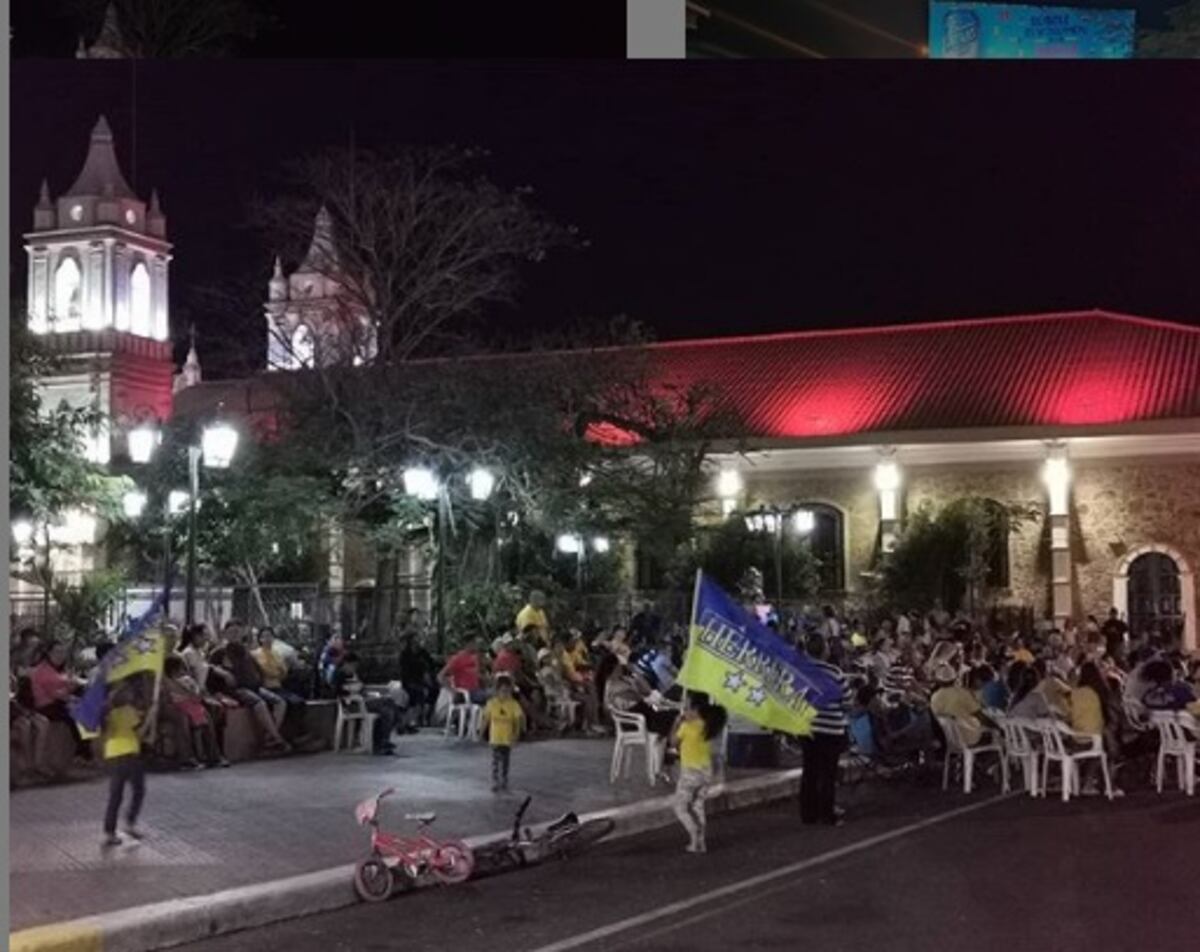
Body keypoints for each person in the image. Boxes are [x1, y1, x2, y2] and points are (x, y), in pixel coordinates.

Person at [799, 634, 850, 826]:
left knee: (809, 771)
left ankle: (808, 814)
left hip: (808, 728)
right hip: (831, 729)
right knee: (828, 773)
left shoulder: (801, 671)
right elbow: (847, 701)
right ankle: (827, 814)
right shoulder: (835, 673)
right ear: (824, 650)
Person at [671, 692, 727, 854]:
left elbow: (673, 742)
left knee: (680, 807)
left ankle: (693, 832)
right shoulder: (709, 726)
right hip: (705, 771)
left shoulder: (687, 727)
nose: (684, 711)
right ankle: (700, 843)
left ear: (696, 710)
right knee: (697, 806)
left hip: (690, 772)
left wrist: (676, 724)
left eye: (687, 707)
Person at [101, 673, 153, 847]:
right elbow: (139, 734)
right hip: (129, 753)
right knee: (139, 789)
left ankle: (110, 831)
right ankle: (130, 822)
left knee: (115, 794)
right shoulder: (127, 711)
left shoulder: (108, 713)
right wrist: (150, 718)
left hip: (113, 753)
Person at [162, 655, 228, 768]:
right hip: (174, 706)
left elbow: (197, 693)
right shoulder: (166, 680)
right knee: (184, 718)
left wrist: (196, 693)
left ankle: (213, 756)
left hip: (192, 703)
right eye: (180, 669)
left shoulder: (187, 680)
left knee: (207, 715)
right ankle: (188, 758)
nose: (182, 671)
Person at [29, 641, 89, 757]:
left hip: (58, 702)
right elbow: (56, 694)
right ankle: (83, 751)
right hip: (46, 706)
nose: (61, 655)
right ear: (49, 653)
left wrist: (73, 689)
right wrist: (73, 697)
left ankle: (83, 749)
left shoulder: (58, 669)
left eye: (63, 652)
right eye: (57, 652)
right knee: (75, 714)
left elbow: (68, 684)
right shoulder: (43, 670)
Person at [332, 652, 397, 755]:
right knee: (386, 709)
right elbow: (336, 692)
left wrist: (367, 693)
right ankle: (381, 742)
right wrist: (350, 690)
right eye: (353, 666)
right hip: (352, 704)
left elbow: (362, 688)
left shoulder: (355, 675)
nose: (354, 668)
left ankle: (382, 740)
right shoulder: (338, 674)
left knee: (388, 706)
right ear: (346, 664)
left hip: (363, 701)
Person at [253, 628, 308, 739]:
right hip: (265, 687)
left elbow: (283, 672)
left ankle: (296, 733)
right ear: (260, 639)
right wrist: (274, 672)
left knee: (298, 702)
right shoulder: (255, 654)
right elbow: (265, 671)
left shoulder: (276, 654)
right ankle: (273, 736)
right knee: (283, 703)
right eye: (264, 636)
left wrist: (276, 672)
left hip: (278, 685)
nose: (267, 639)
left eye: (270, 636)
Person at [480, 674, 525, 793]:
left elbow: (518, 720)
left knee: (505, 761)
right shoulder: (491, 703)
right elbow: (486, 719)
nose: (505, 694)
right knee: (495, 761)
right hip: (495, 738)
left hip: (507, 738)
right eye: (503, 691)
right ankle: (495, 780)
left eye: (507, 691)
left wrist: (516, 734)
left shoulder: (513, 704)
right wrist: (481, 732)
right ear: (497, 691)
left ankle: (504, 779)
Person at [398, 629, 438, 727]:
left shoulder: (422, 652)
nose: (418, 641)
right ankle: (414, 719)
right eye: (416, 639)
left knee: (435, 690)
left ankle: (426, 716)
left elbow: (431, 663)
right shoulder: (405, 654)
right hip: (410, 681)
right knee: (417, 692)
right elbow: (406, 672)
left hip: (422, 680)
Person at [440, 637, 488, 705]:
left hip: (477, 690)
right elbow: (440, 676)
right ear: (468, 644)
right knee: (495, 696)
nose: (477, 646)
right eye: (474, 643)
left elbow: (476, 675)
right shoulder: (458, 658)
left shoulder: (475, 657)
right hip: (467, 692)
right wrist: (452, 691)